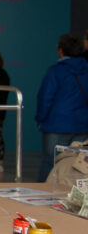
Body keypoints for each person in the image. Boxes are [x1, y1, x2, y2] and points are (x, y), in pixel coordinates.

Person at [35, 33, 88, 182]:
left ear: (60, 50)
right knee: (77, 162)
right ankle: (71, 192)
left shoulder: (56, 71)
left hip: (57, 124)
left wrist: (41, 118)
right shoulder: (86, 70)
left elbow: (45, 97)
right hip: (82, 124)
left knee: (50, 162)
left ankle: (43, 194)